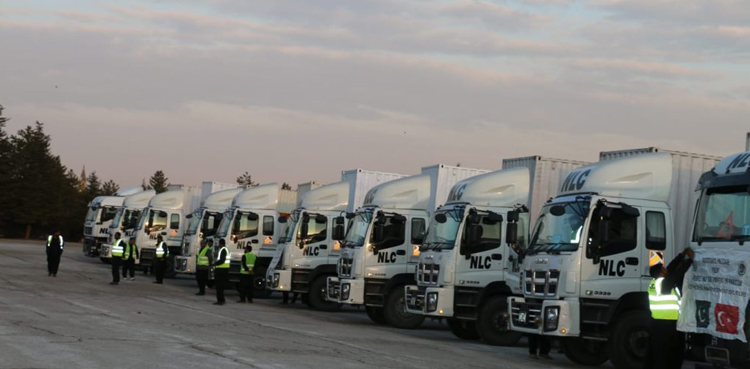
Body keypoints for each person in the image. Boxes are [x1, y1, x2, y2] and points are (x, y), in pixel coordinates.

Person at [644, 248, 694, 369]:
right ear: (661, 272)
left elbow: (672, 269)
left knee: (657, 354)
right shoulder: (664, 284)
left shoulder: (655, 283)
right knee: (667, 356)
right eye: (663, 268)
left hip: (658, 324)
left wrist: (681, 255)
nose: (666, 269)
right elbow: (678, 273)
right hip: (667, 326)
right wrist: (690, 260)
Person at [213, 238, 230, 305]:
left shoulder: (223, 250)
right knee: (221, 286)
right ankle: (222, 299)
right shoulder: (226, 249)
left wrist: (215, 263)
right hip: (224, 269)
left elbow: (222, 260)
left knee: (219, 286)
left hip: (221, 270)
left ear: (220, 243)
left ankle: (220, 300)